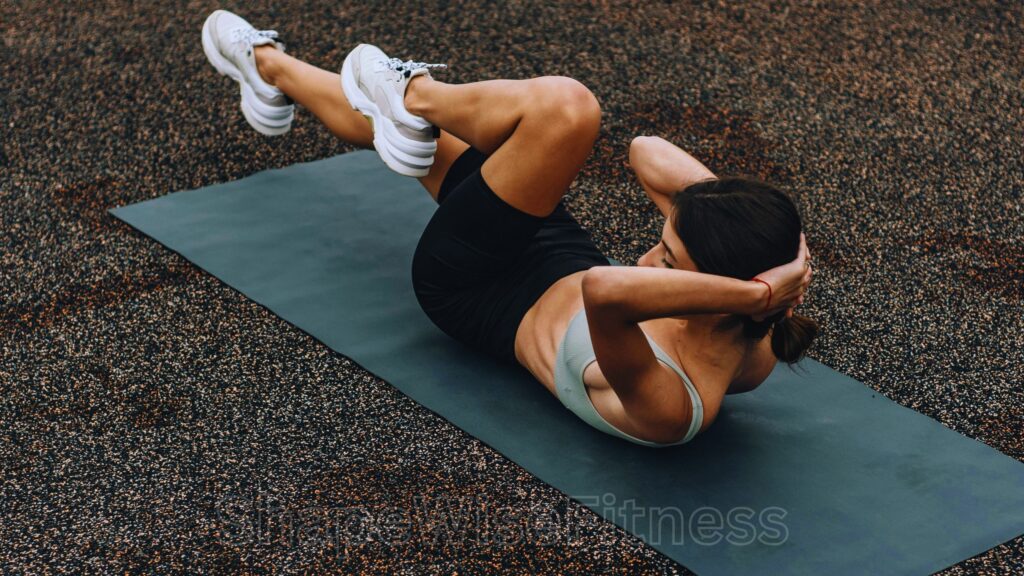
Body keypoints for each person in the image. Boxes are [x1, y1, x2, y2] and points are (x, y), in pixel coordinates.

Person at [201, 10, 817, 447]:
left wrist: (759, 288)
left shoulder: (673, 405)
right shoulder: (756, 335)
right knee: (410, 141)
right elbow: (646, 151)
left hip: (475, 289)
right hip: (556, 253)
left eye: (669, 260)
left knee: (567, 110)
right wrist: (778, 243)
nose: (648, 259)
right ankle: (268, 68)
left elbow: (606, 289)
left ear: (729, 297)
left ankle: (412, 93)